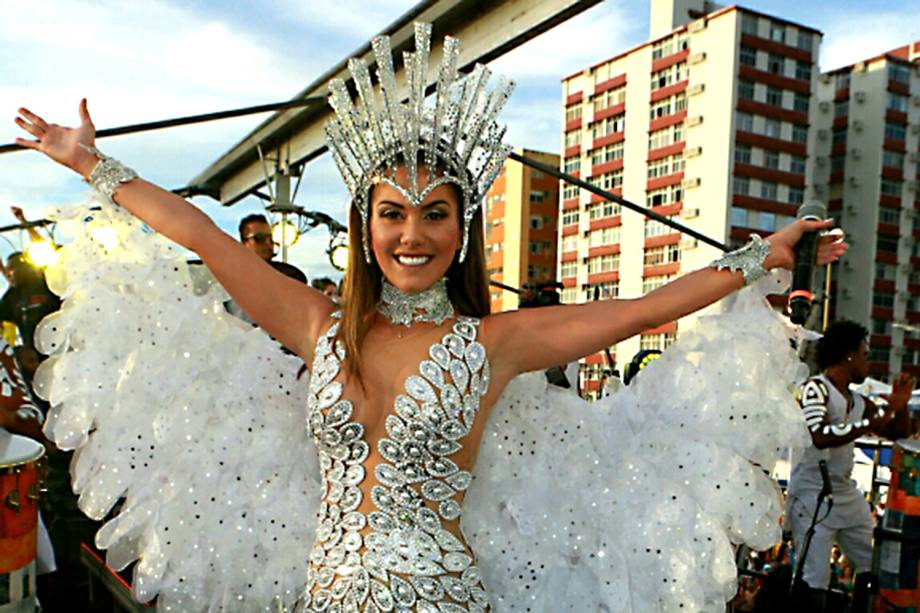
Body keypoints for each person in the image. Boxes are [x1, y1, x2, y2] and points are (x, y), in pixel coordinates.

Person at [14, 23, 848, 612]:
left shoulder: (497, 343)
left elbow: (640, 308)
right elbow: (201, 232)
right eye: (392, 213)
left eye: (435, 213)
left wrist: (755, 258)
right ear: (365, 224)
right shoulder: (317, 325)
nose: (411, 235)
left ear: (462, 228)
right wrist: (93, 164)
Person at [786, 320, 915, 610]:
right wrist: (877, 418)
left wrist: (901, 406)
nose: (868, 363)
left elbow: (897, 433)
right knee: (814, 578)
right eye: (865, 355)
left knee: (875, 564)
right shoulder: (814, 390)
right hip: (812, 496)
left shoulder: (858, 401)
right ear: (848, 356)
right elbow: (818, 435)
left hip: (846, 495)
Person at [225, 213, 307, 324]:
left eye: (271, 239)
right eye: (259, 238)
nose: (268, 244)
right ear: (244, 243)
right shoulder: (229, 280)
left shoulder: (290, 277)